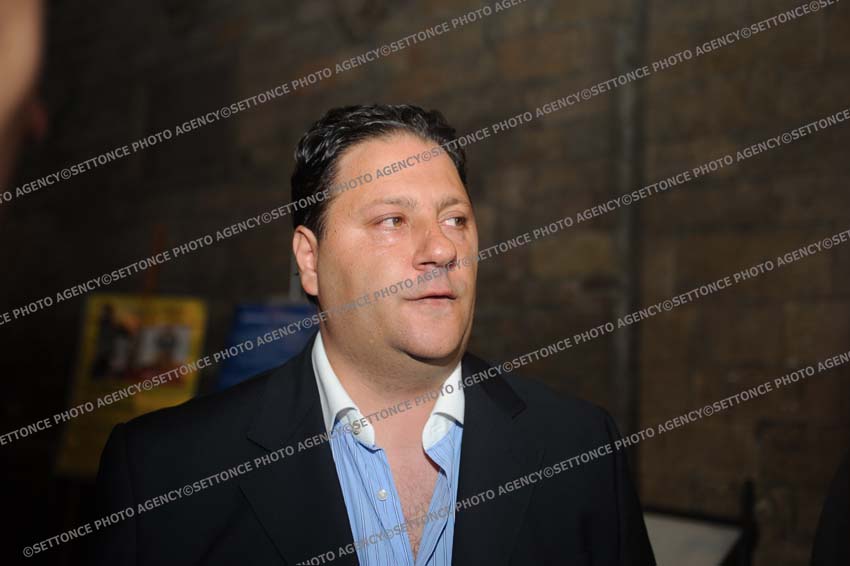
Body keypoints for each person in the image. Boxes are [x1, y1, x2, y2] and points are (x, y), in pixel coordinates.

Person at [90, 104, 655, 565]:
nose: (442, 248)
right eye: (392, 220)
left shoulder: (580, 449)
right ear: (309, 260)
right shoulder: (166, 473)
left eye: (456, 219)